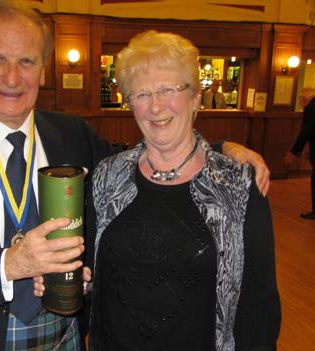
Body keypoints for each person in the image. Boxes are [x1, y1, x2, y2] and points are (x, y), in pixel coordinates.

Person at [0, 1, 269, 350]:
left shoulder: (71, 134)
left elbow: (150, 155)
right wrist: (9, 265)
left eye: (27, 61)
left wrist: (220, 150)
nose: (12, 77)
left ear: (43, 71)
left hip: (65, 337)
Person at [86, 31, 280, 350]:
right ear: (130, 103)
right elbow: (92, 277)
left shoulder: (238, 185)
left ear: (195, 98)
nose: (156, 106)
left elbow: (259, 306)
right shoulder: (107, 176)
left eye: (168, 89)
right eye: (142, 94)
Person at [284, 87, 315, 219]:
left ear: (304, 98)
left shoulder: (311, 108)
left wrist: (294, 152)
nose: (300, 103)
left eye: (300, 99)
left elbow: (306, 131)